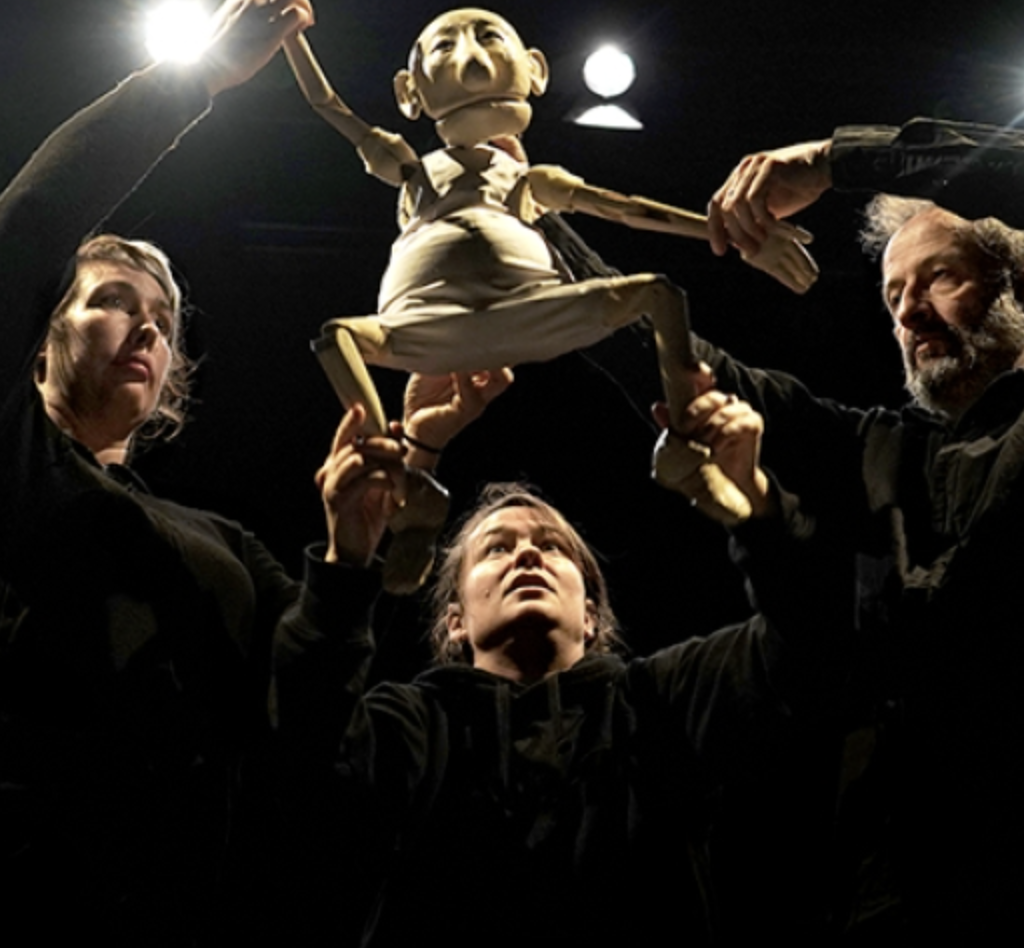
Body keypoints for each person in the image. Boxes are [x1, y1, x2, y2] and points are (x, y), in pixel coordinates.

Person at [582, 120, 1024, 939]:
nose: (909, 314)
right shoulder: (876, 453)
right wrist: (509, 228)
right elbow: (674, 360)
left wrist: (836, 162)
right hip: (909, 909)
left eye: (938, 279)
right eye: (893, 297)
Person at [0, 3, 366, 944]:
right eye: (113, 302)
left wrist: (356, 551)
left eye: (162, 319)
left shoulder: (223, 547)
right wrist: (193, 82)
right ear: (44, 336)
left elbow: (308, 710)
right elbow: (26, 226)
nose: (148, 327)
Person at [270, 377, 847, 944]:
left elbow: (810, 644)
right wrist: (346, 561)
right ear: (455, 621)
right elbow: (304, 752)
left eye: (552, 546)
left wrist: (759, 507)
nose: (527, 554)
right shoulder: (416, 723)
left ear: (591, 615)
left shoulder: (659, 702)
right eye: (496, 548)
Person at [279, 7, 818, 531]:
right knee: (337, 338)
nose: (473, 64)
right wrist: (290, 36)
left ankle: (684, 450)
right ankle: (396, 478)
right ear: (409, 92)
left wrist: (735, 231)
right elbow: (328, 104)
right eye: (445, 46)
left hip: (532, 309)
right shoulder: (411, 169)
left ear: (534, 70)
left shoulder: (525, 178)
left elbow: (624, 208)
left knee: (659, 294)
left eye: (489, 38)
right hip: (424, 321)